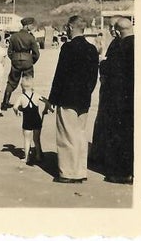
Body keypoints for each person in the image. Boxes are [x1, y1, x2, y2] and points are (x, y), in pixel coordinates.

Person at [48, 15, 99, 183]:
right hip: (84, 98)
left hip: (67, 97)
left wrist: (52, 99)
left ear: (71, 27)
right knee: (80, 135)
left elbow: (60, 75)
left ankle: (68, 172)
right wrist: (87, 93)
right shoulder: (92, 49)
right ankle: (80, 171)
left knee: (66, 136)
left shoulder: (67, 48)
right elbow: (93, 77)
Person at [102, 18, 134, 184]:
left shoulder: (121, 47)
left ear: (119, 31)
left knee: (121, 136)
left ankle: (123, 173)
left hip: (121, 99)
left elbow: (110, 70)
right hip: (137, 98)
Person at [89, 18, 122, 171]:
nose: (111, 30)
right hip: (108, 88)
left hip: (111, 89)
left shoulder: (118, 44)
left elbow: (110, 65)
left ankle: (101, 154)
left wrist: (103, 63)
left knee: (105, 122)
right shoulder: (116, 43)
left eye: (112, 27)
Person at [1, 17, 40, 110]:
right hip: (28, 61)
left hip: (16, 60)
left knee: (11, 82)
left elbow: (9, 51)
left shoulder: (14, 36)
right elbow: (36, 53)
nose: (32, 27)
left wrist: (14, 59)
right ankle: (26, 104)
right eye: (31, 25)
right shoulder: (31, 37)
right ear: (27, 26)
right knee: (27, 82)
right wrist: (31, 61)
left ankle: (5, 103)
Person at [12, 76, 53, 164]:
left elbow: (15, 107)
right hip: (37, 120)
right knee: (36, 139)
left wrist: (17, 112)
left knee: (27, 140)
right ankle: (38, 155)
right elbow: (47, 101)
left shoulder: (21, 97)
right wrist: (46, 109)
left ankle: (27, 158)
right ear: (32, 85)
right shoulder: (37, 95)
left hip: (27, 121)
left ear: (21, 86)